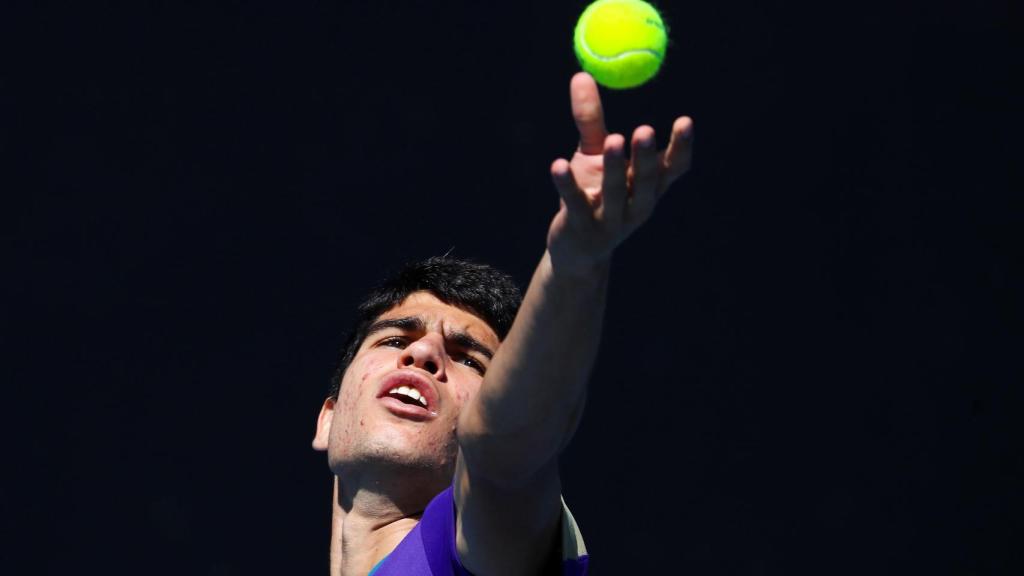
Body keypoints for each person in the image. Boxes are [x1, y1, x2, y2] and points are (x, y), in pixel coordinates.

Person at [312, 72, 694, 576]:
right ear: (327, 418)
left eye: (470, 358)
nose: (425, 354)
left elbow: (505, 446)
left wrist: (575, 264)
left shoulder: (477, 548)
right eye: (395, 337)